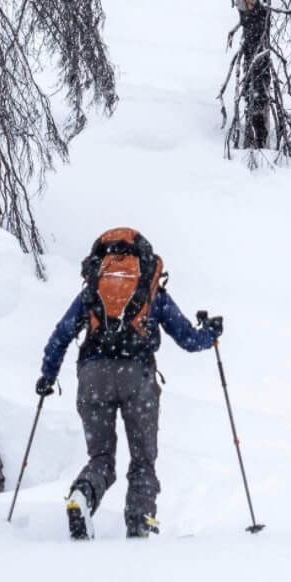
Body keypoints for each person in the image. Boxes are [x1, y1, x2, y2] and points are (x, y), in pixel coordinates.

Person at [36, 228, 222, 541]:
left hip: (92, 378)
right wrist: (210, 334)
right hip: (138, 378)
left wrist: (48, 375)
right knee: (142, 459)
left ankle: (83, 495)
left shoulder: (92, 291)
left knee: (101, 458)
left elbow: (62, 334)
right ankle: (140, 520)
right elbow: (188, 339)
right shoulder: (150, 291)